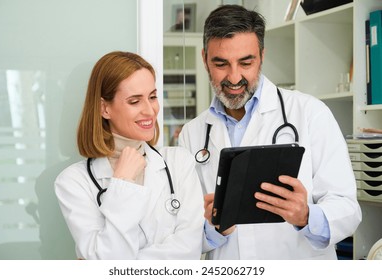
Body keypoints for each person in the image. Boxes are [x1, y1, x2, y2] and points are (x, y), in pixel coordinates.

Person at [178, 5, 362, 259]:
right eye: (221, 63)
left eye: (246, 62)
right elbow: (183, 232)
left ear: (262, 56)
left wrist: (306, 216)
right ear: (204, 59)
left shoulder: (310, 113)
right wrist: (213, 229)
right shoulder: (192, 134)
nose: (234, 77)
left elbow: (348, 209)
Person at [54, 51, 204, 260]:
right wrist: (123, 182)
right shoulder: (73, 182)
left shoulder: (179, 162)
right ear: (104, 108)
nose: (150, 111)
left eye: (152, 97)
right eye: (135, 101)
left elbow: (189, 250)